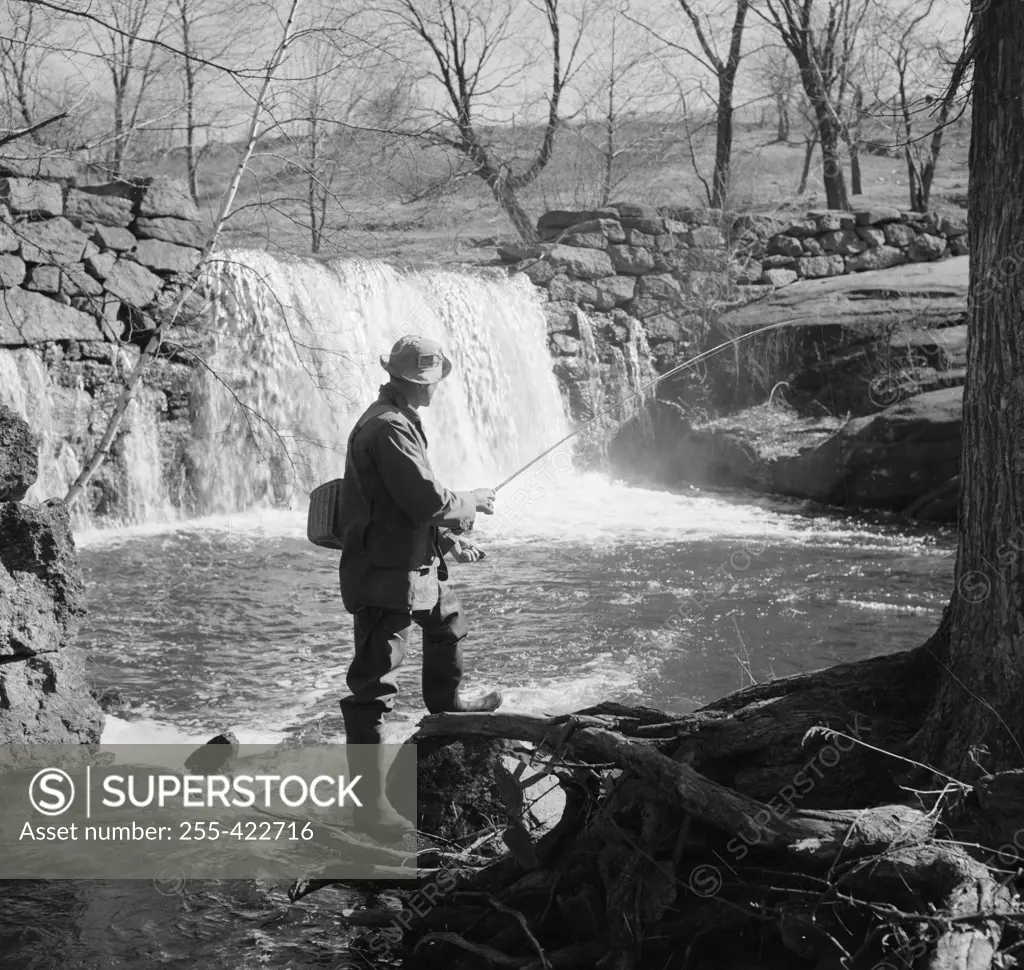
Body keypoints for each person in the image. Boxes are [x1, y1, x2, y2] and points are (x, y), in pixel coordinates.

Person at [337, 333, 503, 840]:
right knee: (374, 684)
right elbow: (425, 498)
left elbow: (401, 505)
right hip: (383, 575)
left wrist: (448, 543)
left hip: (410, 566)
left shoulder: (399, 419)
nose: (434, 389)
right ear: (407, 381)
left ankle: (448, 707)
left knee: (449, 620)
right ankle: (367, 807)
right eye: (426, 381)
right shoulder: (388, 428)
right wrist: (471, 502)